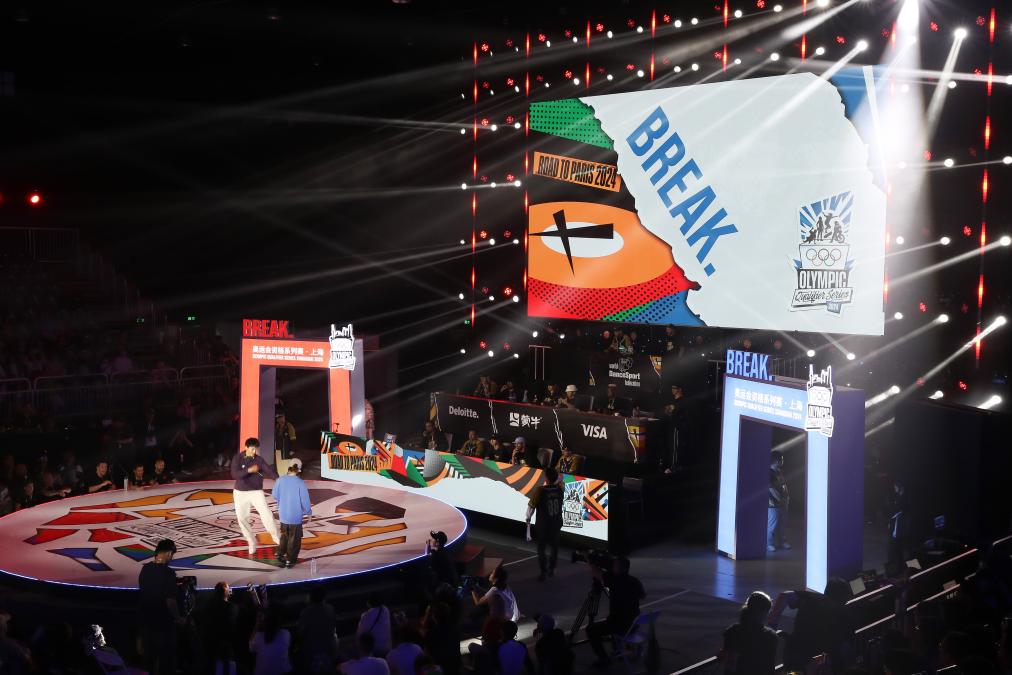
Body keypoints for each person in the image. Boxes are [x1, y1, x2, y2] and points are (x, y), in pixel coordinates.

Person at [587, 557, 646, 667]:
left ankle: (603, 659)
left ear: (619, 568)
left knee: (591, 629)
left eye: (614, 565)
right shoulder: (635, 581)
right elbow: (642, 595)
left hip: (619, 625)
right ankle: (618, 649)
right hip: (633, 624)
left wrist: (590, 560)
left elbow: (596, 573)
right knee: (610, 621)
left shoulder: (614, 580)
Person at [137, 539, 183, 675]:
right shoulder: (168, 573)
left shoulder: (145, 569)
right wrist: (178, 618)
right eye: (172, 555)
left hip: (147, 623)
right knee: (166, 663)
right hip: (163, 626)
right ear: (169, 553)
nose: (171, 558)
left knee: (149, 663)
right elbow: (170, 601)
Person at [230, 437, 281, 555]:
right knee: (242, 518)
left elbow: (269, 470)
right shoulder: (237, 458)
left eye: (256, 449)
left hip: (256, 492)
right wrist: (248, 470)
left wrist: (278, 479)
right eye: (252, 449)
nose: (254, 452)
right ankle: (251, 541)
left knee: (267, 514)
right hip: (240, 492)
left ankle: (277, 538)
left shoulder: (259, 459)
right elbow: (234, 474)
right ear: (246, 447)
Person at [720, 591, 778, 675]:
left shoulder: (733, 630)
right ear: (765, 612)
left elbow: (728, 659)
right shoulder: (770, 636)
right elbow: (769, 667)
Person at [271, 458, 312, 567]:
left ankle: (279, 553)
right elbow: (305, 500)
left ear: (289, 467)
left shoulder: (280, 480)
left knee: (284, 536)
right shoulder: (300, 483)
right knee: (294, 539)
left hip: (283, 515)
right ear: (299, 470)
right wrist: (308, 512)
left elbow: (274, 494)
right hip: (295, 516)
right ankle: (290, 559)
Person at [527, 467, 564, 581]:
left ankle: (543, 571)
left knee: (541, 549)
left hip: (543, 524)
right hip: (556, 522)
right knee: (554, 547)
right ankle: (552, 568)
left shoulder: (540, 490)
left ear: (546, 478)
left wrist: (528, 518)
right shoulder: (560, 489)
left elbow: (531, 507)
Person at [298, 586, 340, 674]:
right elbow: (334, 626)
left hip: (312, 649)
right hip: (328, 647)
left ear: (310, 597)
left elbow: (301, 632)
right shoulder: (330, 609)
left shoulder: (305, 612)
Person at [203, 582, 238, 675]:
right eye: (228, 589)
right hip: (226, 643)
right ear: (225, 591)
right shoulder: (231, 607)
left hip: (211, 643)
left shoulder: (208, 607)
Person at [249, 607, 291, 675]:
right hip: (284, 671)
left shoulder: (258, 636)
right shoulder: (286, 634)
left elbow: (250, 647)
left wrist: (257, 624)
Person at [768, 451, 790, 552]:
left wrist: (787, 497)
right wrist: (780, 499)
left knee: (782, 524)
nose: (782, 461)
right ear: (776, 461)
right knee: (772, 525)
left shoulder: (779, 472)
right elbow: (771, 489)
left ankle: (782, 542)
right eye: (781, 459)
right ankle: (769, 544)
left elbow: (784, 485)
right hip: (773, 504)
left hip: (783, 502)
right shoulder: (769, 473)